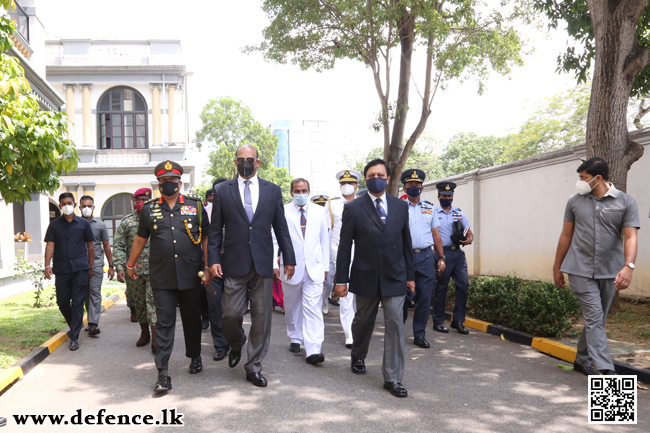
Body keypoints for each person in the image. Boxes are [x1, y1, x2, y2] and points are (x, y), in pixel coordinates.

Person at [208, 144, 296, 388]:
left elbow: (281, 228)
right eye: (240, 159)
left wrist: (288, 258)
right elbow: (215, 230)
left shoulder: (273, 190)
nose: (245, 163)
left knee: (261, 318)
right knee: (230, 315)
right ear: (235, 162)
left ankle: (254, 366)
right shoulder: (222, 190)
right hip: (233, 263)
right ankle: (236, 343)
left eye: (250, 159)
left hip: (262, 263)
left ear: (258, 162)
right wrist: (213, 259)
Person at [126, 161, 211, 393]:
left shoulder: (195, 206)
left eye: (172, 181)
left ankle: (194, 356)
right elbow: (140, 240)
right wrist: (130, 264)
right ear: (158, 183)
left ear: (179, 182)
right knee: (163, 323)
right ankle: (162, 373)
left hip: (191, 274)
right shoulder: (149, 209)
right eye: (163, 181)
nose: (168, 184)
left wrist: (208, 266)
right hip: (162, 277)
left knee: (192, 319)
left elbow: (205, 238)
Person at [334, 159, 415, 398]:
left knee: (395, 325)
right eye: (370, 175)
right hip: (365, 274)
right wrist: (341, 280)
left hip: (395, 276)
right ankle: (358, 354)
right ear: (366, 180)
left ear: (388, 179)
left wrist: (410, 275)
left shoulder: (400, 207)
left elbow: (406, 243)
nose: (375, 178)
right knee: (363, 321)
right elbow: (344, 247)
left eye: (380, 174)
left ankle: (393, 377)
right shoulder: (353, 208)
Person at [553, 157, 639, 376]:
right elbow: (566, 235)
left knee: (596, 321)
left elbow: (631, 237)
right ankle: (606, 370)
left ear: (598, 178)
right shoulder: (574, 201)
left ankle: (581, 360)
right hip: (579, 269)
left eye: (583, 177)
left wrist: (628, 266)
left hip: (610, 270)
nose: (580, 182)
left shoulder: (625, 202)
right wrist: (557, 267)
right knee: (594, 318)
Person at [274, 179, 329, 364]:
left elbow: (324, 241)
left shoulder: (320, 211)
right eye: (297, 191)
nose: (301, 193)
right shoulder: (282, 210)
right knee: (291, 306)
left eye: (304, 190)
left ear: (309, 191)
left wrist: (326, 267)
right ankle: (295, 337)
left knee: (313, 308)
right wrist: (275, 263)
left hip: (314, 267)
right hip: (291, 267)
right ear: (291, 192)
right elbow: (275, 239)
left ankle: (313, 350)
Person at [399, 170, 446, 348]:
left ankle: (419, 334)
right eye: (410, 185)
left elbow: (436, 234)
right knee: (401, 296)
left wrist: (441, 257)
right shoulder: (399, 206)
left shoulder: (430, 207)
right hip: (404, 256)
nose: (414, 188)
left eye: (417, 185)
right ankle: (398, 331)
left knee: (425, 297)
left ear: (422, 187)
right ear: (404, 187)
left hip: (426, 256)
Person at [44, 192, 95, 351]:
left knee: (78, 301)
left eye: (70, 202)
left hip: (80, 268)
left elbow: (90, 246)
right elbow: (50, 245)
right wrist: (47, 265)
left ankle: (74, 337)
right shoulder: (54, 225)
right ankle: (76, 322)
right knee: (62, 302)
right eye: (64, 203)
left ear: (74, 204)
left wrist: (91, 266)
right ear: (59, 205)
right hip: (62, 269)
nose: (67, 205)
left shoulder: (83, 224)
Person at [113, 188, 157, 352]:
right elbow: (118, 245)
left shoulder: (157, 219)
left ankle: (155, 338)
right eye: (139, 199)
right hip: (135, 271)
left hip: (155, 270)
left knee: (152, 303)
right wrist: (120, 267)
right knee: (140, 305)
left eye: (146, 199)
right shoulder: (127, 222)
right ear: (133, 202)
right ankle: (144, 333)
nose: (142, 202)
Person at [431, 181, 474, 335]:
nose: (447, 198)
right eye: (444, 195)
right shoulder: (433, 213)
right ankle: (438, 321)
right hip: (442, 254)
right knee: (441, 287)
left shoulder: (458, 212)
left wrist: (469, 239)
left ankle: (458, 320)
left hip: (458, 254)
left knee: (463, 285)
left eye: (450, 196)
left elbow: (470, 232)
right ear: (439, 196)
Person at [329, 168, 362, 347]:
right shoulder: (332, 205)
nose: (346, 186)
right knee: (346, 293)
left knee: (360, 294)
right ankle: (349, 332)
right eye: (343, 184)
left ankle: (359, 327)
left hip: (363, 254)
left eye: (349, 184)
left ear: (356, 186)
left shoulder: (365, 203)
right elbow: (327, 233)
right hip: (341, 254)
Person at [202, 178, 230, 362]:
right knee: (215, 304)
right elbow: (202, 239)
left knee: (235, 307)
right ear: (212, 194)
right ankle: (220, 345)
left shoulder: (240, 208)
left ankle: (235, 338)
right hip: (212, 262)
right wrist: (206, 265)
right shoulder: (204, 212)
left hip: (236, 262)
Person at [78, 195, 114, 336]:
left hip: (97, 265)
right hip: (80, 266)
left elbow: (106, 245)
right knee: (85, 295)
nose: (86, 208)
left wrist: (111, 266)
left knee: (94, 293)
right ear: (79, 207)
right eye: (83, 206)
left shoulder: (101, 225)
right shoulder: (75, 223)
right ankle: (90, 320)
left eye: (89, 206)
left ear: (93, 207)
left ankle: (93, 324)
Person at [311, 194, 336, 315]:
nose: (321, 207)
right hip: (314, 256)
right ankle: (315, 304)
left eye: (323, 205)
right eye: (318, 205)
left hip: (329, 256)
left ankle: (324, 301)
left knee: (328, 282)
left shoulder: (333, 222)